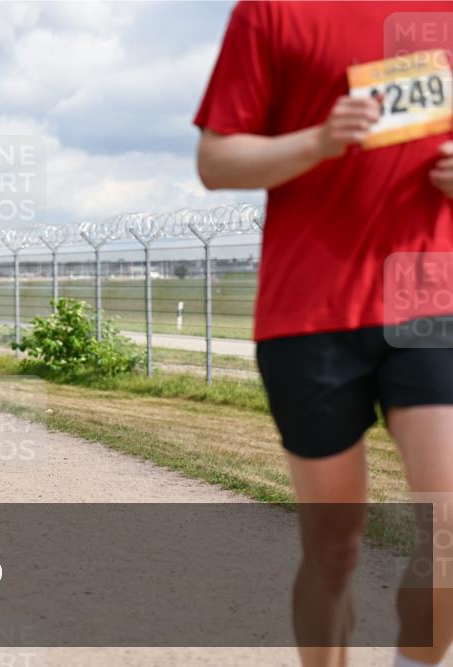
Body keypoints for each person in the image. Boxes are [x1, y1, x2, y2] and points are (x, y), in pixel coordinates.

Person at [195, 3, 453, 667]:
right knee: (334, 544)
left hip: (427, 293)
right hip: (309, 311)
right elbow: (217, 160)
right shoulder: (272, 12)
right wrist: (319, 139)